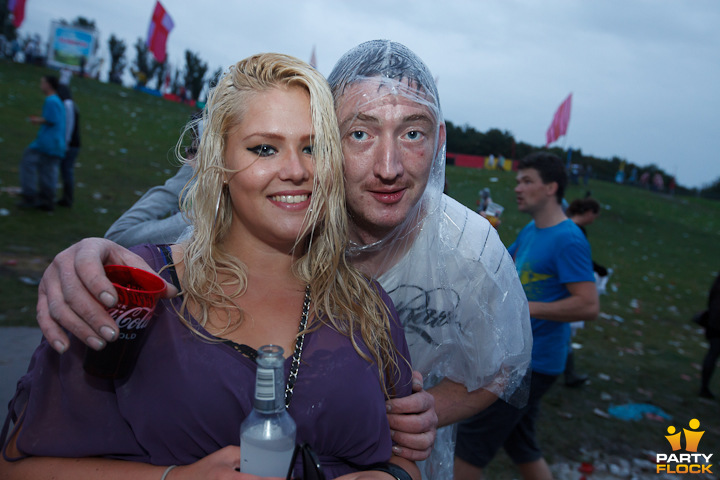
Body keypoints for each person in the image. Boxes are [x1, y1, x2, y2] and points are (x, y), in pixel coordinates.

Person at [31, 40, 532, 478]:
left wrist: (411, 428)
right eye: (360, 133)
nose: (388, 166)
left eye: (412, 133)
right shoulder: (165, 275)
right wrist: (88, 258)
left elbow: (499, 373)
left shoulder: (431, 274)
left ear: (438, 142)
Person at [454, 152, 599, 480]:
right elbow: (502, 270)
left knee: (469, 445)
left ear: (551, 188)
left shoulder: (569, 239)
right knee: (521, 445)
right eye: (518, 180)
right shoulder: (534, 230)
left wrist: (524, 308)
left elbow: (588, 305)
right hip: (523, 356)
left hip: (531, 364)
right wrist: (485, 234)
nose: (518, 187)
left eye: (527, 181)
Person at [564, 197, 608, 387]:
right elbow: (580, 260)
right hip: (565, 288)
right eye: (595, 215)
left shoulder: (566, 227)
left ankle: (568, 372)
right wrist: (598, 269)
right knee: (561, 330)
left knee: (563, 332)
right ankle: (567, 373)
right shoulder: (574, 232)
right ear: (589, 212)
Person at [17, 75, 66, 211]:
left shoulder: (51, 100)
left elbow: (53, 120)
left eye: (42, 82)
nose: (41, 85)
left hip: (48, 143)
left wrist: (38, 121)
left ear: (49, 85)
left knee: (28, 162)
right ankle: (46, 200)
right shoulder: (56, 100)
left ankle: (30, 196)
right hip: (54, 144)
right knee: (47, 171)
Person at [56, 84, 81, 207]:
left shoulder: (68, 105)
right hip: (72, 143)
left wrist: (65, 143)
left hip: (71, 144)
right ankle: (66, 198)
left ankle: (67, 199)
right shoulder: (71, 104)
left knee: (66, 171)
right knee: (66, 171)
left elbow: (68, 126)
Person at [699, 271, 720, 399]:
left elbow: (712, 294)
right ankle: (704, 388)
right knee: (713, 352)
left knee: (713, 352)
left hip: (716, 318)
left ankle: (704, 387)